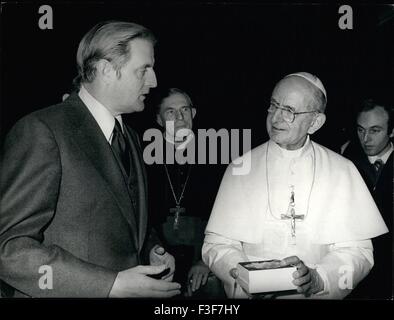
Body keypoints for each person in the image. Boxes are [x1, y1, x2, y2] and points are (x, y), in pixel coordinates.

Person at [0, 21, 181, 298]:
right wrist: (109, 285)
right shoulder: (43, 130)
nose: (154, 81)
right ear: (107, 70)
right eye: (144, 69)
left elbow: (125, 220)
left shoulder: (130, 137)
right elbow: (9, 249)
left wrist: (151, 251)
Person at [202, 72, 388, 299]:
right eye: (274, 105)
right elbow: (216, 244)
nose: (276, 118)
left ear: (315, 122)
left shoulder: (341, 170)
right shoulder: (240, 167)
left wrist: (320, 279)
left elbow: (358, 253)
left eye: (289, 111)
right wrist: (238, 273)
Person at [146, 87, 225, 298]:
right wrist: (155, 253)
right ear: (159, 120)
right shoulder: (143, 160)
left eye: (184, 110)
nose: (180, 117)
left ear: (194, 114)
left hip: (202, 255)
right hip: (156, 255)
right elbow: (139, 218)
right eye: (170, 112)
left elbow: (226, 216)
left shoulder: (217, 156)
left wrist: (206, 260)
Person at [342, 99, 393, 299]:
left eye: (375, 130)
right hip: (357, 264)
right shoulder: (345, 159)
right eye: (361, 130)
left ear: (392, 131)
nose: (365, 138)